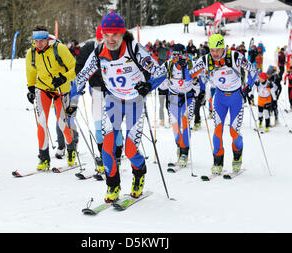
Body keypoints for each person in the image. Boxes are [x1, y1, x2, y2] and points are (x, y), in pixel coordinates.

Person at [71, 12, 167, 202]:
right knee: (107, 148)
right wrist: (73, 98)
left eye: (114, 34)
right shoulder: (99, 52)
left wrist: (148, 86)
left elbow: (161, 72)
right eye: (106, 34)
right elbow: (82, 76)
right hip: (113, 102)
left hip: (135, 103)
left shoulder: (134, 49)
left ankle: (139, 173)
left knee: (130, 150)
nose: (110, 39)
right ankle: (112, 185)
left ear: (122, 33)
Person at [190, 34, 258, 174]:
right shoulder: (206, 59)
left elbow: (253, 70)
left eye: (218, 50)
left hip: (236, 98)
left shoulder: (234, 57)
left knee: (233, 132)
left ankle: (237, 157)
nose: (215, 53)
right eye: (212, 50)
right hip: (220, 97)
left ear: (223, 48)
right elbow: (191, 74)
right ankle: (218, 161)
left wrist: (249, 87)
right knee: (217, 130)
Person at [25, 25, 78, 170]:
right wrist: (30, 88)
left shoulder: (59, 48)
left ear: (47, 39)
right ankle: (44, 158)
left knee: (62, 123)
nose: (39, 44)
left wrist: (63, 78)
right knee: (41, 122)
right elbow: (30, 71)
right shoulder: (32, 53)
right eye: (36, 41)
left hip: (61, 89)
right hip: (43, 89)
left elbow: (75, 67)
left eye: (42, 40)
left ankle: (71, 149)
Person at [74, 25, 123, 173]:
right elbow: (79, 68)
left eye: (107, 38)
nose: (104, 42)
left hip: (114, 91)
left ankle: (118, 156)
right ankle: (102, 156)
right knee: (98, 124)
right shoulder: (88, 48)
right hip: (96, 90)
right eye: (101, 38)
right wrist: (80, 83)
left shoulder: (117, 48)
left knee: (114, 125)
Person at [160, 44, 205, 165]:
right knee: (175, 125)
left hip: (188, 96)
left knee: (185, 123)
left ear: (184, 54)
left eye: (178, 54)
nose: (175, 57)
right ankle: (179, 146)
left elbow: (202, 75)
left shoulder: (191, 63)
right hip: (174, 96)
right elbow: (157, 75)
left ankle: (184, 152)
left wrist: (202, 91)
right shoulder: (168, 64)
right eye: (173, 54)